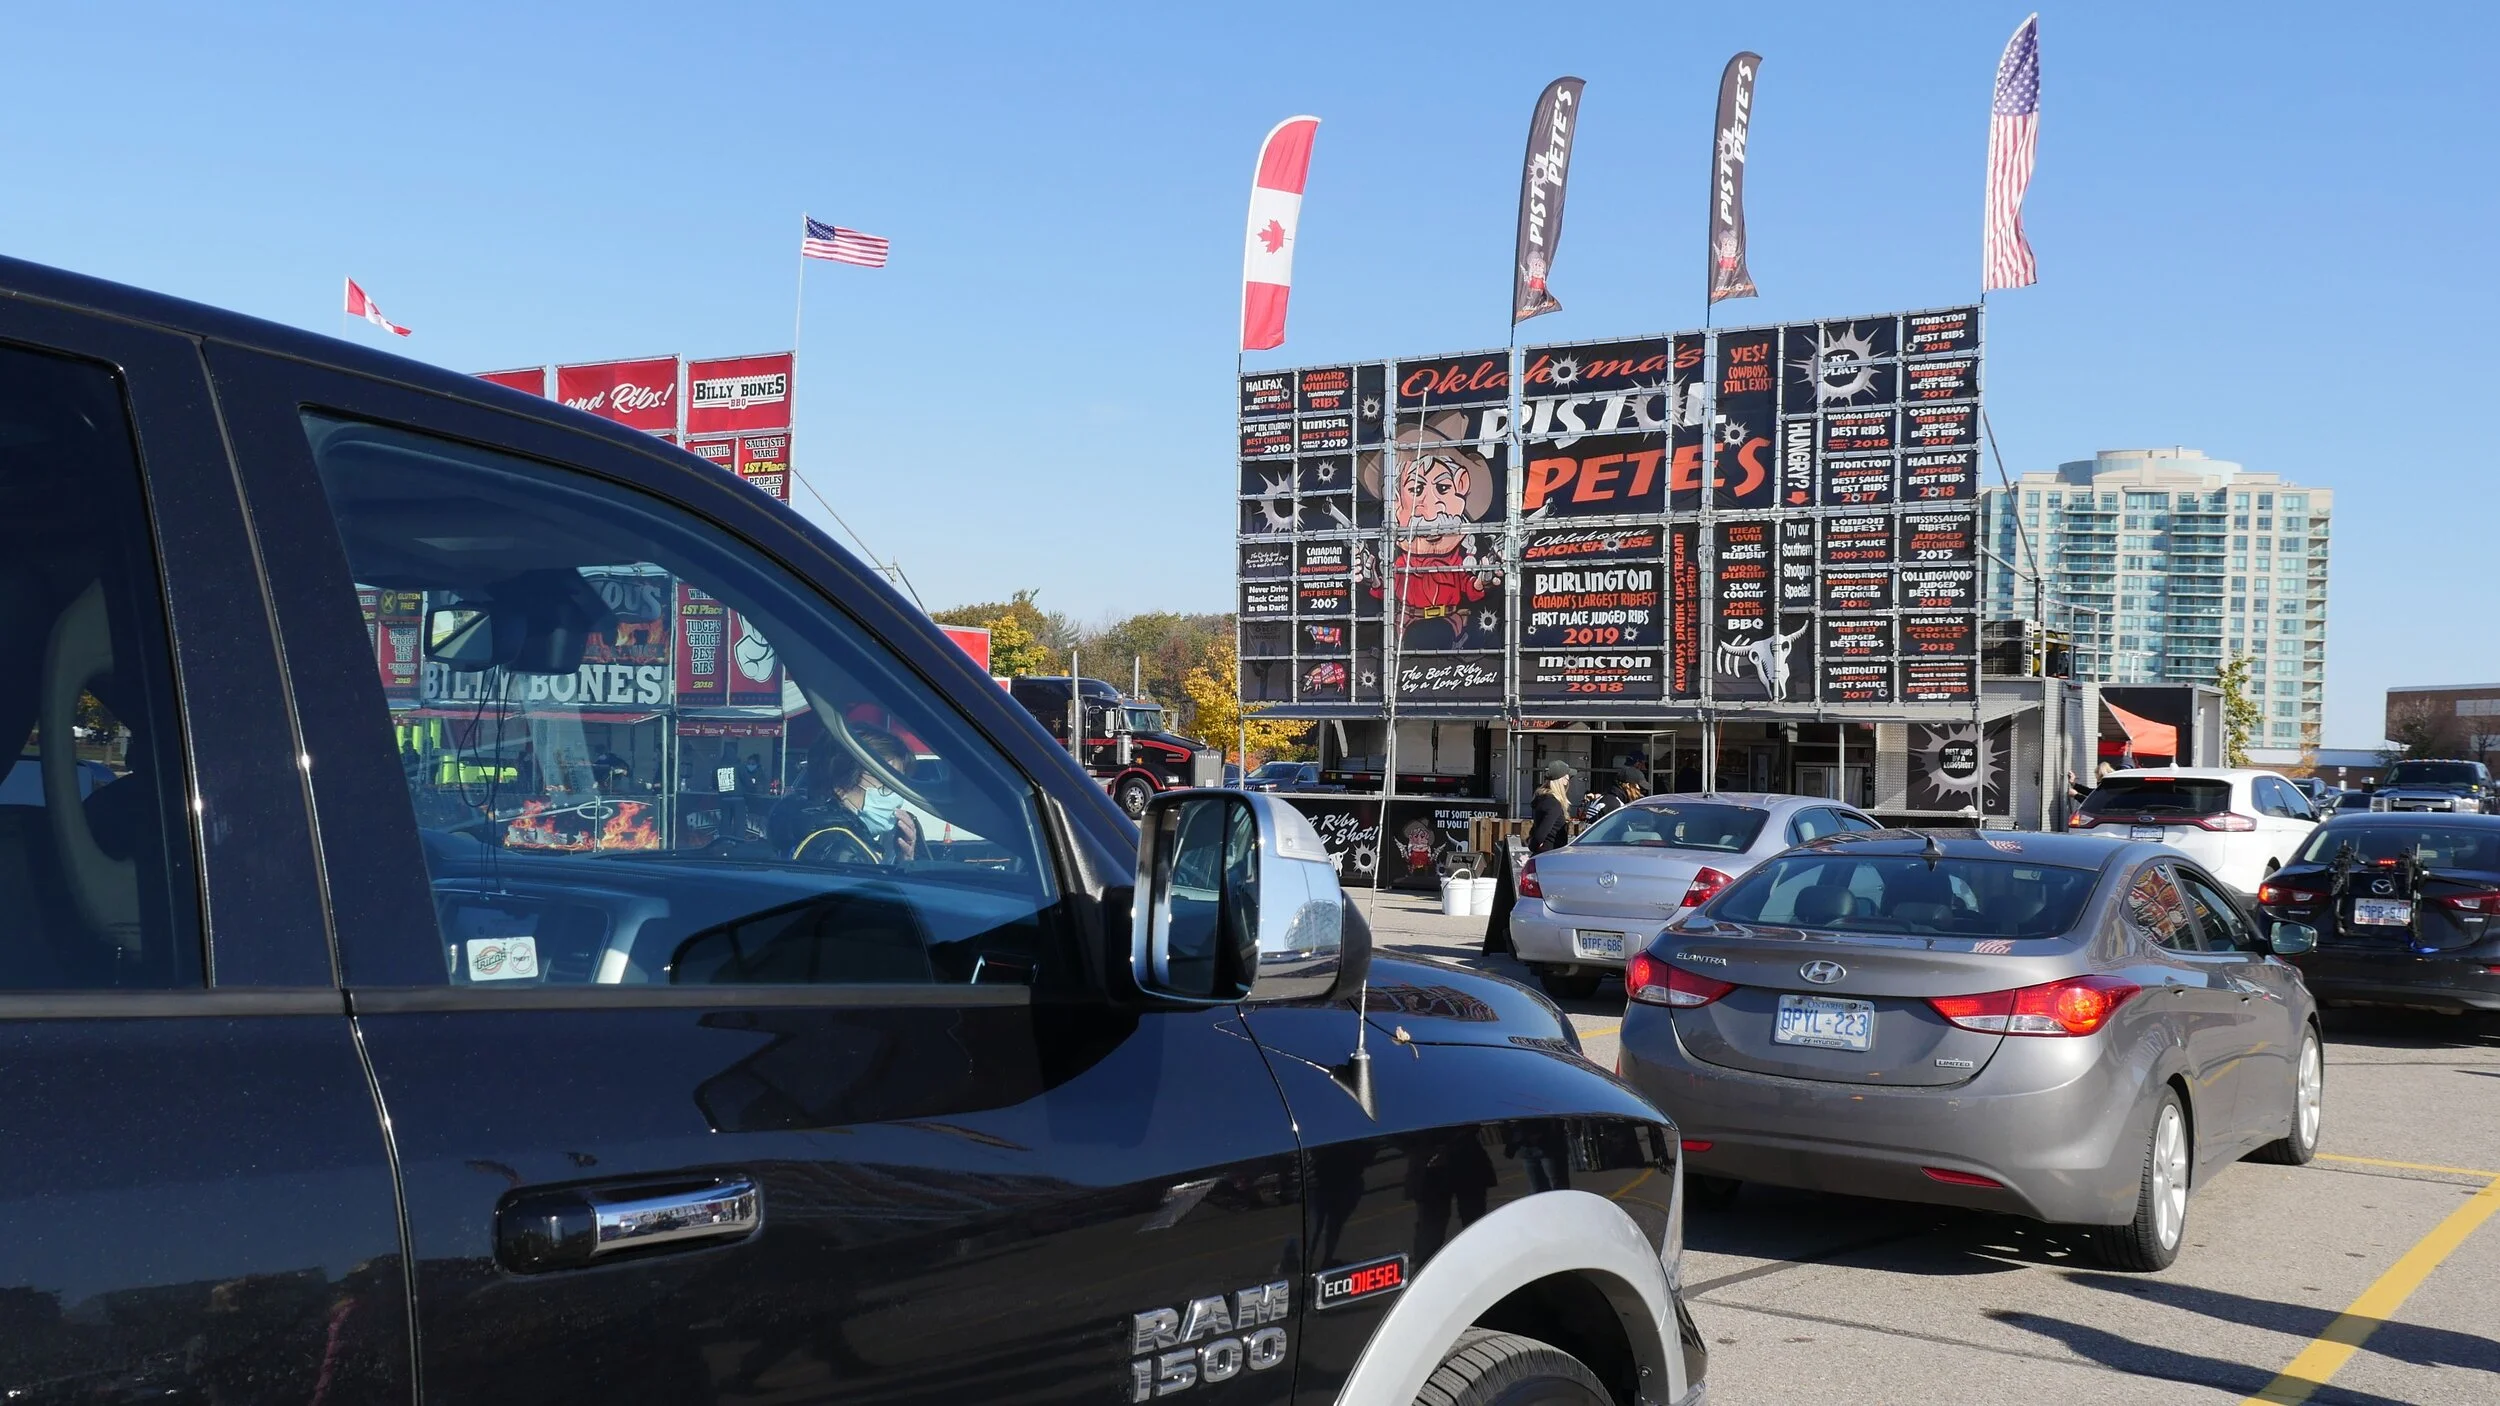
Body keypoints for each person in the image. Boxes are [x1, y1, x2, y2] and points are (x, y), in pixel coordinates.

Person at [769, 728, 921, 865]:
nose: (896, 798)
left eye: (898, 786)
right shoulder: (841, 850)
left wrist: (904, 863)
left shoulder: (812, 827)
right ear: (841, 787)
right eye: (886, 786)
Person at [1528, 761, 1574, 854]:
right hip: (1550, 855)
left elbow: (1536, 828)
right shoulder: (1553, 802)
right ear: (1561, 778)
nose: (1568, 778)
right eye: (1566, 776)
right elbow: (1542, 832)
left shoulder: (1545, 798)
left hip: (1547, 853)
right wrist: (1534, 845)